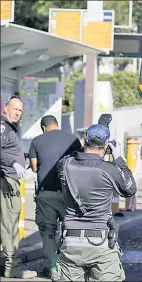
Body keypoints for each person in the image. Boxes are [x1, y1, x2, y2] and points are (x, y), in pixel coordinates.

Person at [52, 123, 137, 281]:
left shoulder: (66, 165)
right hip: (101, 244)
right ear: (106, 145)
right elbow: (130, 189)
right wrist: (119, 159)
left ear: (85, 140)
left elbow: (70, 160)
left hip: (71, 242)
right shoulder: (109, 169)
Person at [28, 115, 82, 278]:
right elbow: (79, 164)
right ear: (57, 125)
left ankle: (53, 266)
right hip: (69, 194)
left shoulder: (37, 141)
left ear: (43, 127)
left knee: (48, 231)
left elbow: (34, 167)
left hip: (46, 194)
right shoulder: (73, 140)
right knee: (70, 231)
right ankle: (66, 265)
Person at [0, 95, 37, 279]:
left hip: (8, 179)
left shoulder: (9, 129)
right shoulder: (3, 127)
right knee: (10, 226)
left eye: (20, 110)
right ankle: (12, 267)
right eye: (14, 108)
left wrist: (22, 160)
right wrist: (14, 164)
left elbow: (7, 151)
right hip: (6, 181)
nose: (17, 113)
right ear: (5, 108)